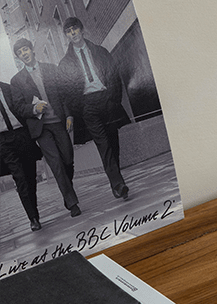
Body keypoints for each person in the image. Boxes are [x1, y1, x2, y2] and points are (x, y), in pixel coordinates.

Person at [58, 17, 131, 200]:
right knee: (103, 145)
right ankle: (119, 184)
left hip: (107, 100)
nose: (73, 33)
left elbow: (114, 74)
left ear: (82, 30)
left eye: (75, 29)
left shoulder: (100, 51)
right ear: (67, 36)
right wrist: (80, 108)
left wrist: (114, 98)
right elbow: (65, 91)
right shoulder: (65, 63)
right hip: (87, 106)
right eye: (69, 31)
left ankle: (116, 181)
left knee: (113, 143)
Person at [10, 38, 81, 217]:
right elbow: (18, 107)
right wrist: (33, 109)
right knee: (56, 163)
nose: (24, 54)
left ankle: (67, 191)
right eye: (20, 53)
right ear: (18, 57)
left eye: (25, 50)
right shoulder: (17, 81)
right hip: (41, 128)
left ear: (32, 50)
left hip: (58, 121)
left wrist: (69, 114)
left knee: (67, 159)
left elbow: (63, 94)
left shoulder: (50, 68)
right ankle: (72, 203)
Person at [0, 78, 43, 231]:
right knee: (20, 177)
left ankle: (35, 212)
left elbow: (20, 108)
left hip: (21, 135)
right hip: (3, 140)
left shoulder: (8, 88)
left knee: (30, 176)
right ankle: (32, 218)